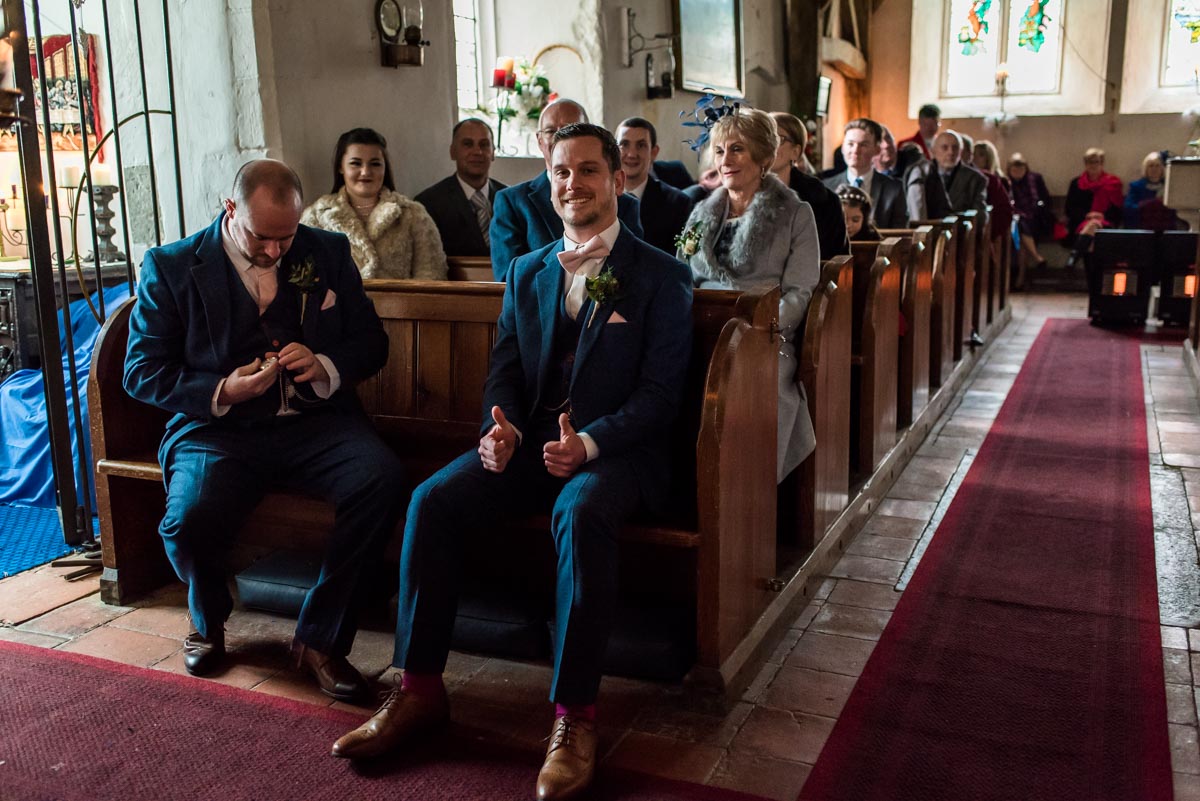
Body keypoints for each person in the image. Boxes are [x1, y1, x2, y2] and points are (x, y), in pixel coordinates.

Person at [330, 123, 693, 801]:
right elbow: (505, 370)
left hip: (618, 454)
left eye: (589, 170)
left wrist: (588, 444)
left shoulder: (661, 274)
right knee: (432, 500)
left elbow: (659, 397)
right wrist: (499, 430)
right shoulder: (528, 270)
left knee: (579, 511)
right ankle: (418, 688)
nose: (573, 184)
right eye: (561, 171)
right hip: (531, 446)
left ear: (616, 179)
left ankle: (574, 716)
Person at [123, 160, 406, 699]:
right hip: (216, 431)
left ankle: (321, 639)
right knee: (186, 522)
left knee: (382, 480)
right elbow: (140, 371)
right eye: (262, 237)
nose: (275, 251)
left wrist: (324, 363)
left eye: (287, 237)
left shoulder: (327, 251)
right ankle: (207, 617)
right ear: (230, 209)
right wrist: (223, 390)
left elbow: (372, 341)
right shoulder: (172, 266)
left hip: (316, 424)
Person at [677, 108, 819, 483]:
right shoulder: (700, 213)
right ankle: (687, 488)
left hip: (766, 335)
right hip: (702, 332)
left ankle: (750, 491)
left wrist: (760, 329)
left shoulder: (795, 214)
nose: (726, 160)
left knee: (755, 388)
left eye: (737, 149)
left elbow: (800, 291)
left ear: (763, 157)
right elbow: (680, 278)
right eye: (719, 150)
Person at [489, 98, 643, 281]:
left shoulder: (625, 203)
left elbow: (637, 270)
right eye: (550, 131)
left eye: (570, 128)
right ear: (539, 140)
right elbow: (509, 282)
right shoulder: (511, 201)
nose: (560, 136)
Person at [301, 128, 446, 280]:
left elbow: (432, 274)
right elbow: (304, 274)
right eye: (356, 163)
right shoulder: (317, 216)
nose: (365, 172)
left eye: (375, 164)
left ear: (385, 168)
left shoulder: (413, 214)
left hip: (401, 296)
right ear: (341, 167)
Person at [414, 118, 508, 258]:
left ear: (493, 152)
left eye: (484, 144)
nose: (477, 151)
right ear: (453, 152)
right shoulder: (429, 203)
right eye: (468, 144)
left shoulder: (511, 199)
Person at [769, 110, 848, 259]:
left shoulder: (824, 201)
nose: (768, 145)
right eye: (762, 138)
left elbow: (835, 260)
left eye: (778, 139)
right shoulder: (740, 193)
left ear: (795, 152)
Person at [616, 117, 694, 254]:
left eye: (641, 145)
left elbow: (679, 259)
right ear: (614, 151)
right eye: (624, 144)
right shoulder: (599, 199)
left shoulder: (678, 204)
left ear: (653, 152)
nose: (632, 154)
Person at [821, 118, 908, 229]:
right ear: (842, 148)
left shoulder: (894, 189)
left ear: (877, 150)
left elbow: (899, 232)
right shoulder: (826, 187)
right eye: (850, 144)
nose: (855, 151)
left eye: (863, 145)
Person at [1006, 152, 1053, 278]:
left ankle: (1019, 279)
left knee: (1020, 228)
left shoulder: (1035, 179)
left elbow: (1045, 200)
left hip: (1035, 218)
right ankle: (1035, 258)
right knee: (1018, 228)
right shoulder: (1006, 182)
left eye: (1021, 168)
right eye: (1015, 169)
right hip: (1015, 220)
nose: (1018, 171)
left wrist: (1036, 209)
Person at [1065, 147, 1123, 241]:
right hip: (1081, 221)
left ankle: (1079, 249)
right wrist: (1087, 215)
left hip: (1106, 221)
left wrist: (1101, 216)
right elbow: (1069, 208)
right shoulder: (1076, 183)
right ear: (1085, 164)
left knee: (1093, 228)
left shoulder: (1113, 182)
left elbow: (1117, 209)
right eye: (1090, 162)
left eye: (1096, 162)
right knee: (1092, 227)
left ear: (1102, 163)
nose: (1093, 165)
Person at [931, 130, 988, 220]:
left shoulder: (975, 179)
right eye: (945, 147)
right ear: (934, 151)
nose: (951, 152)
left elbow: (980, 216)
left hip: (960, 227)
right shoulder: (922, 174)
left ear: (960, 151)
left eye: (955, 148)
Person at [1124, 150, 1179, 230]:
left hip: (1166, 228)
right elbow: (1129, 207)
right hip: (1142, 227)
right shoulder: (1136, 186)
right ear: (1145, 169)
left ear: (1162, 168)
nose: (1154, 169)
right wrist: (1149, 204)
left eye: (1157, 166)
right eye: (1151, 166)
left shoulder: (1169, 186)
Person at [972, 139, 1014, 240]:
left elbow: (1002, 209)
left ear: (989, 158)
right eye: (973, 154)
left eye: (981, 155)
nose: (975, 158)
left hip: (993, 226)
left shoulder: (1000, 180)